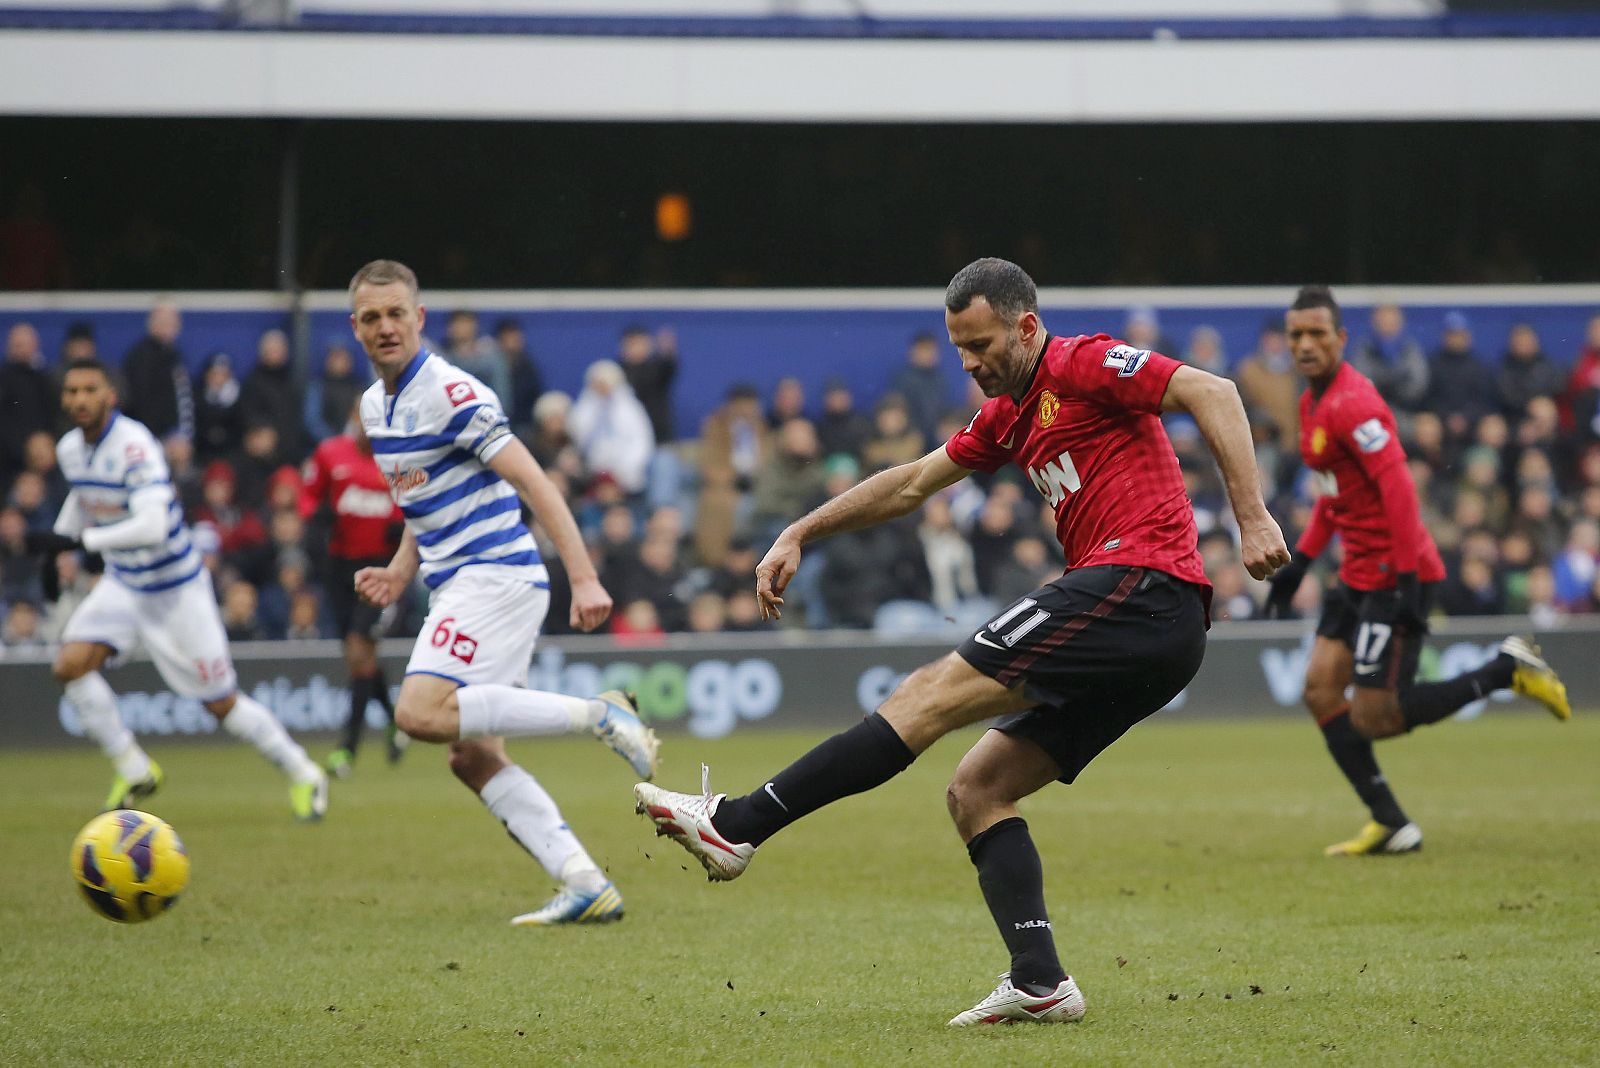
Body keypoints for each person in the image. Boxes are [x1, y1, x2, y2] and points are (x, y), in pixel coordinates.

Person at [636, 258, 1291, 1027]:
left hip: (1141, 585)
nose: (970, 363)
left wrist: (1252, 516)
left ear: (1025, 325)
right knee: (978, 788)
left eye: (980, 345)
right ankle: (1041, 982)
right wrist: (800, 530)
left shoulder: (1082, 363)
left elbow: (1213, 390)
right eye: (959, 350)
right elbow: (911, 483)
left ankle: (736, 825)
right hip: (1154, 629)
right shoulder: (1008, 416)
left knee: (924, 697)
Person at [344, 259, 659, 926]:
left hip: (496, 577)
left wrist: (582, 574)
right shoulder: (376, 406)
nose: (386, 327)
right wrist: (402, 571)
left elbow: (535, 483)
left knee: (418, 714)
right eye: (371, 317)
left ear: (419, 318)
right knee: (472, 755)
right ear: (356, 328)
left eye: (396, 313)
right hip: (463, 581)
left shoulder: (455, 394)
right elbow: (420, 500)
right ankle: (584, 882)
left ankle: (601, 715)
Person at [1263, 286, 1570, 858]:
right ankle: (1391, 822)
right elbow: (1337, 495)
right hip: (1355, 572)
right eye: (1296, 335)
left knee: (1376, 716)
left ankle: (1505, 670)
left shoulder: (1355, 402)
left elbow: (1398, 488)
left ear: (1341, 339)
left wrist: (1408, 579)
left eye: (1316, 334)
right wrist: (1299, 563)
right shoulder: (1310, 404)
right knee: (1318, 688)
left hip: (1393, 574)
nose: (1305, 345)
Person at [26, 359, 330, 818]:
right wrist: (57, 552)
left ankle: (305, 772)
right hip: (125, 583)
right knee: (69, 666)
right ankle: (133, 768)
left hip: (176, 589)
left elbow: (150, 526)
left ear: (111, 395)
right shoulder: (71, 449)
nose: (79, 400)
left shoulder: (135, 446)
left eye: (90, 389)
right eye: (71, 391)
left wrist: (76, 542)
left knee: (221, 704)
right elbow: (84, 496)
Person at [300, 400, 406, 777]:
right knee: (360, 655)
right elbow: (309, 498)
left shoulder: (399, 462)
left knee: (359, 650)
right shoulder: (331, 455)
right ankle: (395, 722)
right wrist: (315, 525)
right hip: (339, 569)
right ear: (352, 418)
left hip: (382, 571)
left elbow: (412, 513)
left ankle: (348, 748)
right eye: (362, 416)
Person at [120, 299, 193, 442]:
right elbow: (141, 402)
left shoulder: (174, 355)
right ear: (151, 324)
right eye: (164, 321)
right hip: (149, 437)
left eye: (173, 322)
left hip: (175, 437)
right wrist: (160, 439)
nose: (170, 326)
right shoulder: (141, 357)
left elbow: (181, 399)